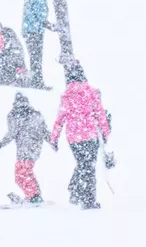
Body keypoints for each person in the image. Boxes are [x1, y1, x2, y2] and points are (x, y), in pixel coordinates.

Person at [47, 60, 112, 209]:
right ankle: (87, 200)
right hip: (89, 135)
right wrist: (106, 132)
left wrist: (54, 139)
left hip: (73, 138)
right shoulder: (91, 92)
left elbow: (60, 119)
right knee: (88, 167)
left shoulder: (66, 96)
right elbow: (100, 114)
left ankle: (75, 190)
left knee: (83, 164)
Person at [0, 92, 50, 204]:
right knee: (26, 172)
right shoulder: (36, 114)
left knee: (20, 175)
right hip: (35, 148)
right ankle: (34, 195)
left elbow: (12, 133)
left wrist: (1, 144)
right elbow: (45, 131)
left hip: (24, 148)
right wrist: (53, 142)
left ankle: (34, 196)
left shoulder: (14, 115)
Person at [20, 0, 54, 87]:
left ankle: (35, 81)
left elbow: (34, 13)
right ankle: (36, 82)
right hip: (34, 31)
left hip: (29, 31)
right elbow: (40, 15)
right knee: (36, 59)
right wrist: (50, 25)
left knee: (34, 58)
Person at [0, 21, 29, 87]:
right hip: (18, 55)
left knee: (3, 65)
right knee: (20, 69)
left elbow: (1, 49)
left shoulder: (3, 34)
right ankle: (22, 79)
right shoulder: (9, 31)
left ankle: (9, 83)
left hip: (11, 57)